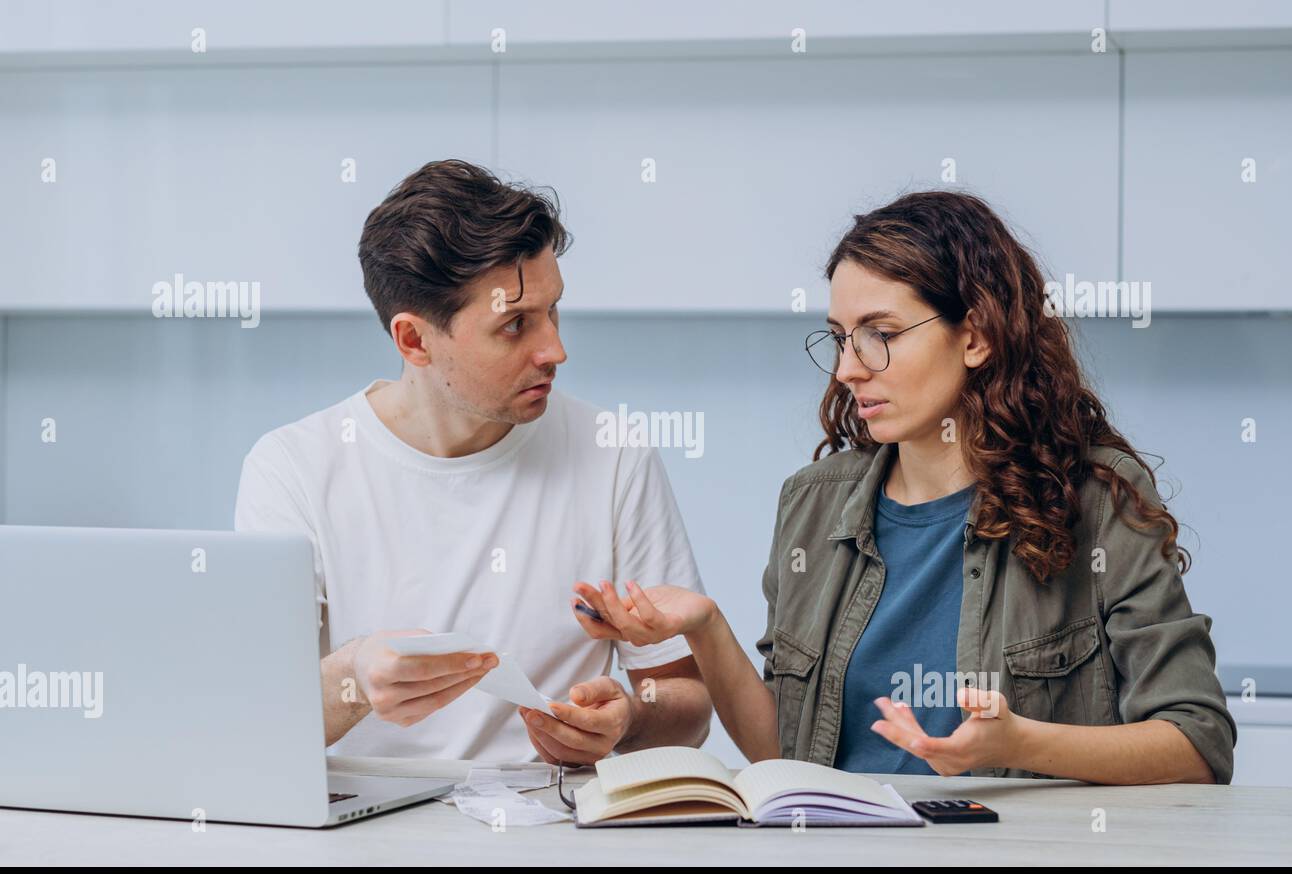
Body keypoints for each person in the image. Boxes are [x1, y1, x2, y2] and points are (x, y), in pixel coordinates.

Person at [571, 190, 1236, 784]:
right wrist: (706, 629)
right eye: (838, 339)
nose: (846, 371)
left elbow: (1196, 743)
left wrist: (1024, 743)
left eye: (880, 336)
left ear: (974, 336)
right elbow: (786, 756)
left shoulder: (1098, 498)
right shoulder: (813, 502)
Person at [234, 159, 711, 764]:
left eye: (552, 311)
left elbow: (688, 704)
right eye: (514, 325)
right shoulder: (292, 468)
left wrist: (632, 716)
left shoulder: (615, 453)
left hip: (554, 826)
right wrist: (355, 678)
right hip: (365, 831)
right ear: (414, 341)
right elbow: (254, 719)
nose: (555, 350)